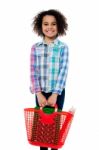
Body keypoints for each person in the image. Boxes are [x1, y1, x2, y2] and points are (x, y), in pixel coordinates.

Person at [30, 9, 69, 150]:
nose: (49, 27)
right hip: (40, 93)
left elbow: (63, 71)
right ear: (40, 27)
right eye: (46, 24)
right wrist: (38, 93)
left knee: (53, 126)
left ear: (59, 26)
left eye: (53, 24)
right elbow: (33, 72)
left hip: (57, 93)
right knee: (41, 126)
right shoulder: (35, 48)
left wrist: (55, 94)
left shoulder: (63, 48)